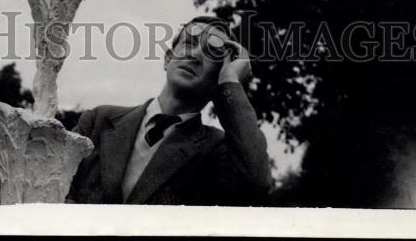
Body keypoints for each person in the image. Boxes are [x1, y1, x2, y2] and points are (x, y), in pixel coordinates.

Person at [66, 15, 272, 205]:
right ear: (167, 59)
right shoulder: (97, 122)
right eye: (189, 43)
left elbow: (256, 185)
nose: (195, 55)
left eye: (212, 53)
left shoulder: (217, 150)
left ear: (219, 75)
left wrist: (230, 82)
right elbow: (53, 191)